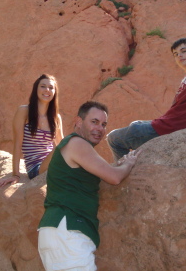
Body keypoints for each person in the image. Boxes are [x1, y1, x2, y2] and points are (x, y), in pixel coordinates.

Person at [38, 101, 139, 271]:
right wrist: (128, 163)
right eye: (94, 122)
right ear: (78, 121)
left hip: (59, 232)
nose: (100, 128)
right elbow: (113, 177)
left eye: (104, 124)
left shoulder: (75, 146)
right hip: (68, 232)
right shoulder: (77, 143)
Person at [107, 37, 186, 162]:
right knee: (135, 124)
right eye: (176, 54)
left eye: (184, 51)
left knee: (114, 139)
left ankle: (122, 175)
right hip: (166, 125)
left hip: (169, 128)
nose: (179, 56)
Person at [0, 74, 64, 187]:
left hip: (53, 165)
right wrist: (16, 174)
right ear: (36, 89)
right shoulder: (24, 111)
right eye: (43, 86)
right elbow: (17, 144)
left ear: (54, 92)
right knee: (67, 144)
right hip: (36, 169)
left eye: (51, 88)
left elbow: (62, 143)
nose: (47, 90)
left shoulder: (56, 118)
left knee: (70, 144)